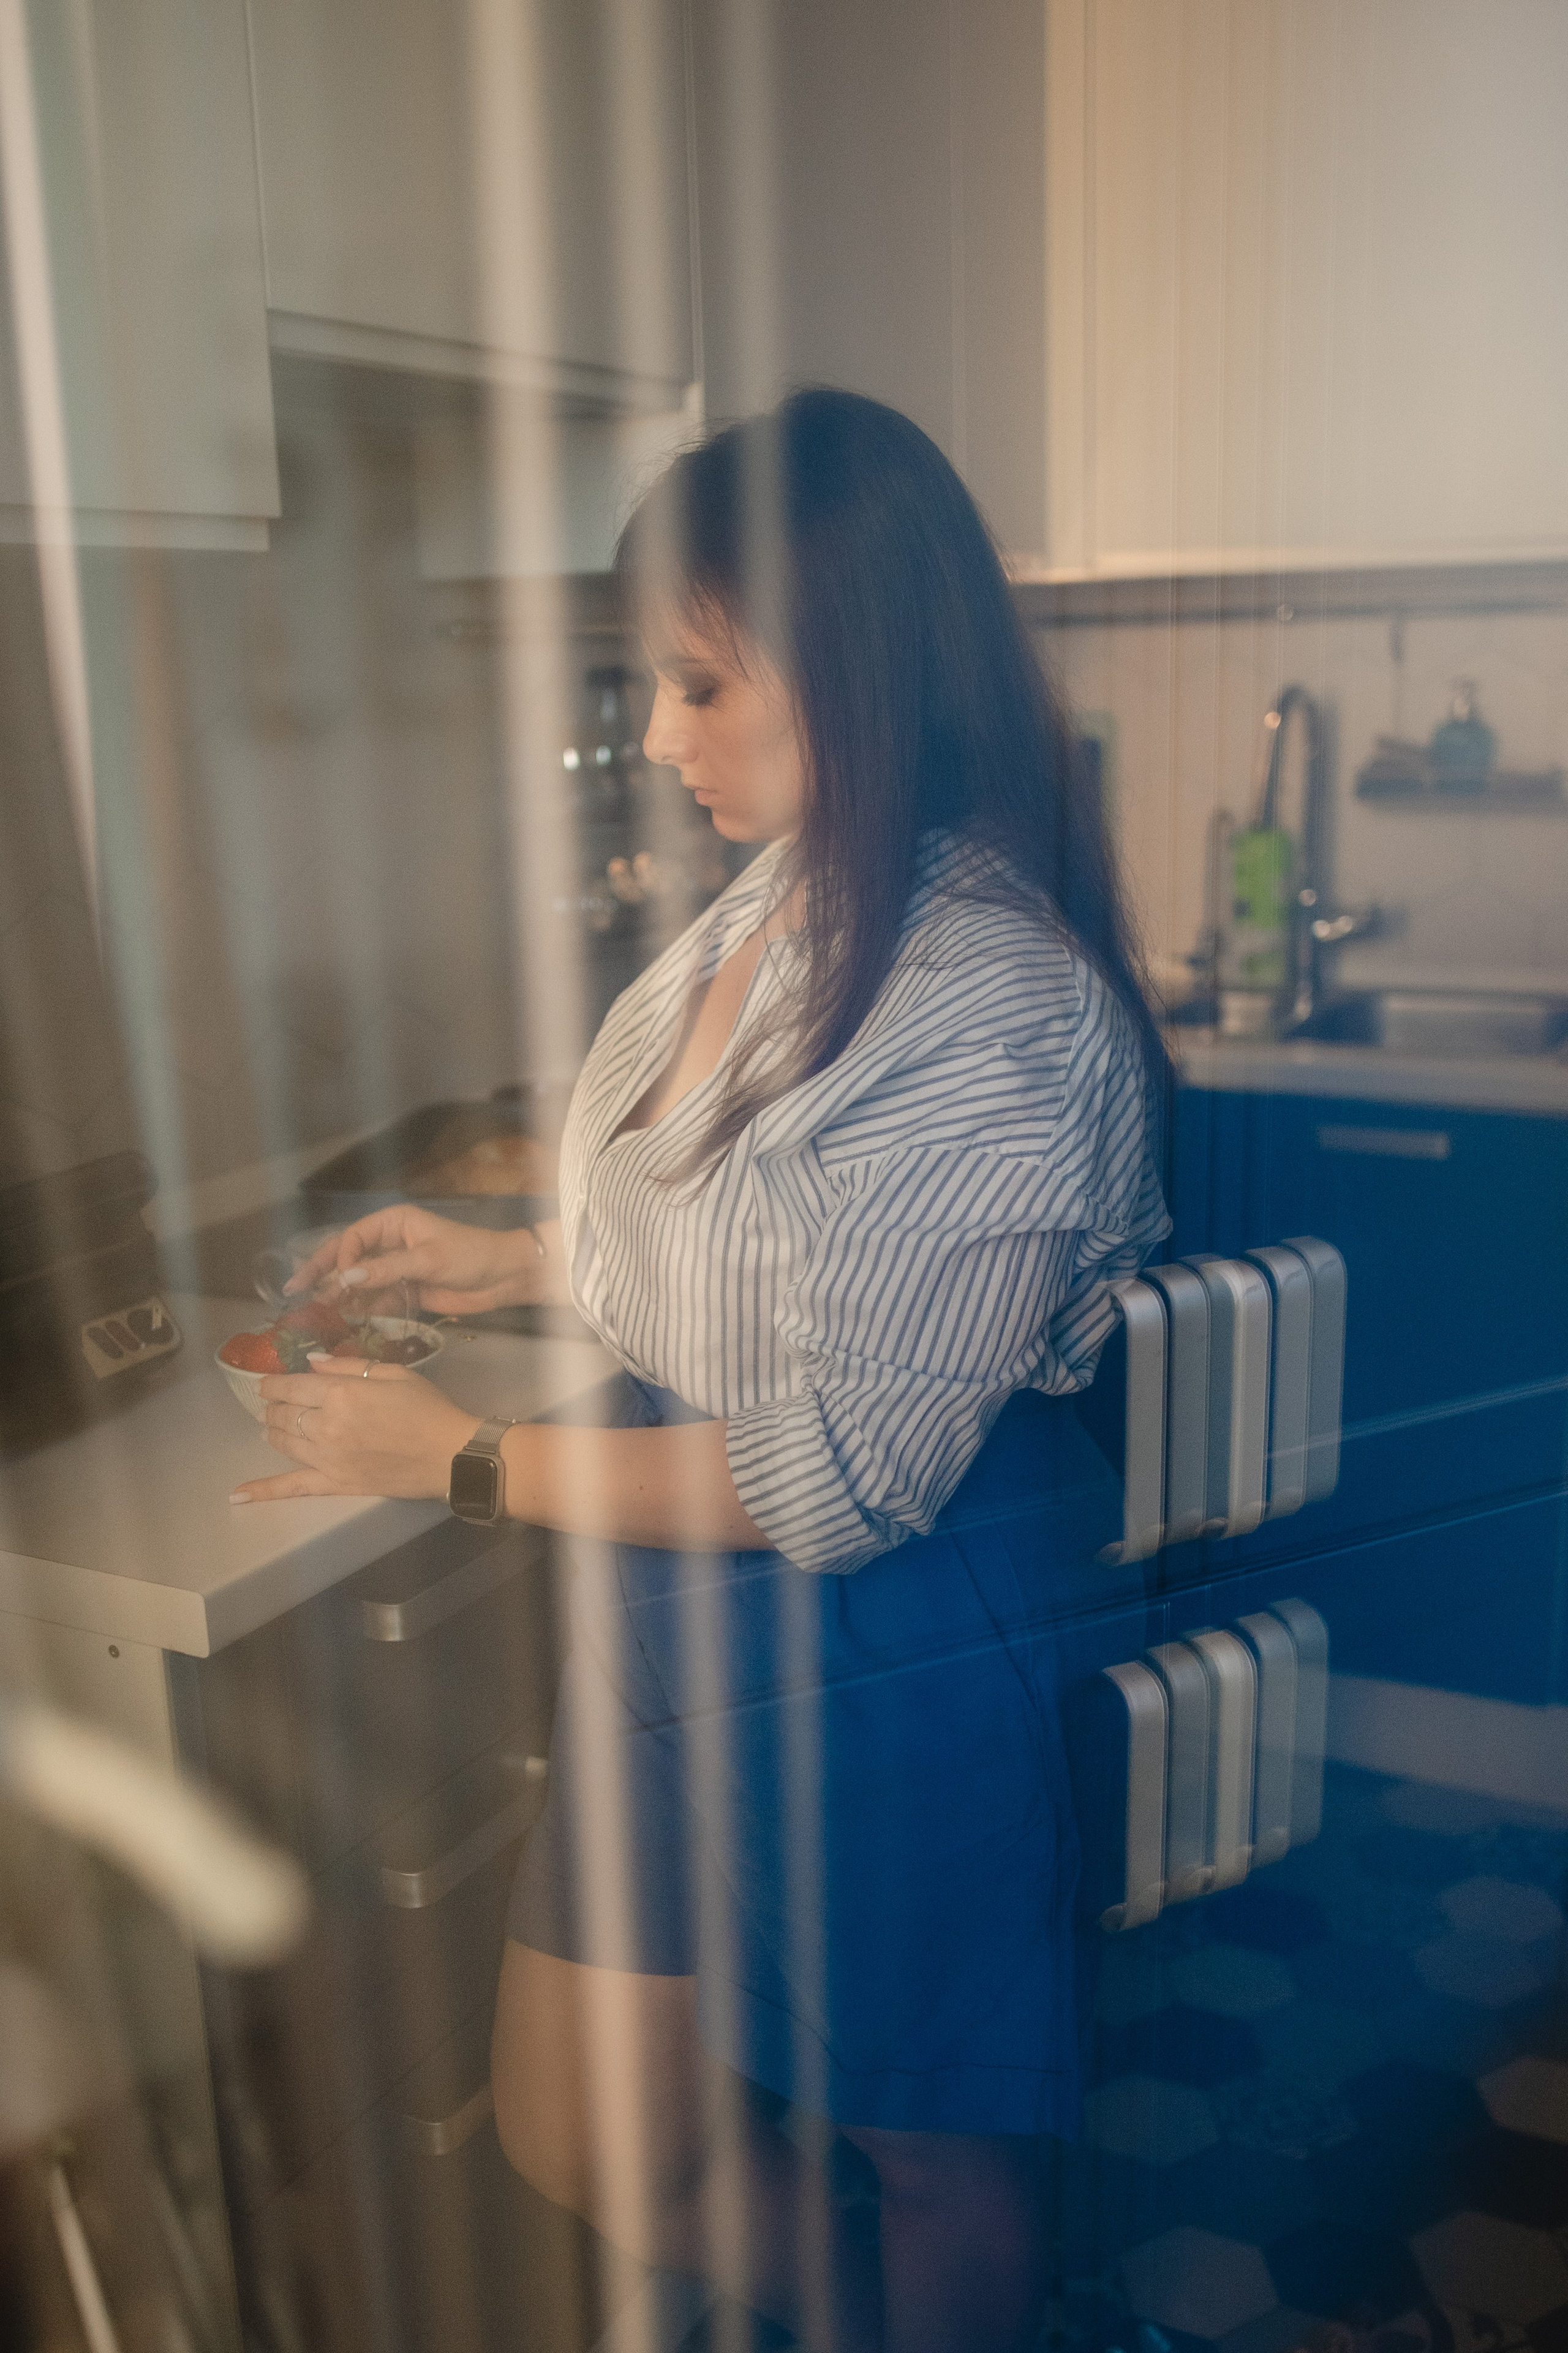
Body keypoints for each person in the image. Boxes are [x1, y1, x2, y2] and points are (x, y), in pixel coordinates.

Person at [233, 389, 1170, 2353]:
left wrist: (459, 1458)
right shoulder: (784, 896)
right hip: (672, 1605)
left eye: (693, 688)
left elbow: (835, 1465)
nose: (658, 741)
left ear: (858, 670)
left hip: (894, 1632)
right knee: (584, 2119)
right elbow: (745, 1245)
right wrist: (506, 1252)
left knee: (935, 2151)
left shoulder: (998, 1006)